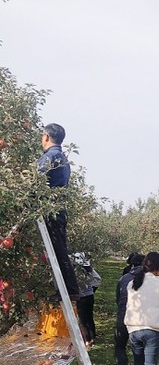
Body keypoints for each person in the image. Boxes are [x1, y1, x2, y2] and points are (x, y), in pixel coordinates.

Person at [37, 123, 80, 299]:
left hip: (50, 210)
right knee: (59, 248)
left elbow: (36, 182)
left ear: (46, 137)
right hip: (59, 209)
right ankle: (69, 288)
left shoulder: (49, 157)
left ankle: (69, 289)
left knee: (57, 250)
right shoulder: (63, 159)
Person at [113, 252, 144, 365]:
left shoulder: (124, 279)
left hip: (123, 317)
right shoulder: (150, 281)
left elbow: (118, 298)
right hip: (141, 319)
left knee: (120, 346)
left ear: (131, 264)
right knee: (141, 348)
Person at [72, 252, 98, 348]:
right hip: (90, 295)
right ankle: (93, 337)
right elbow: (97, 279)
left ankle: (87, 340)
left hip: (81, 297)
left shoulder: (76, 272)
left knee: (82, 321)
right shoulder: (89, 270)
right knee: (90, 317)